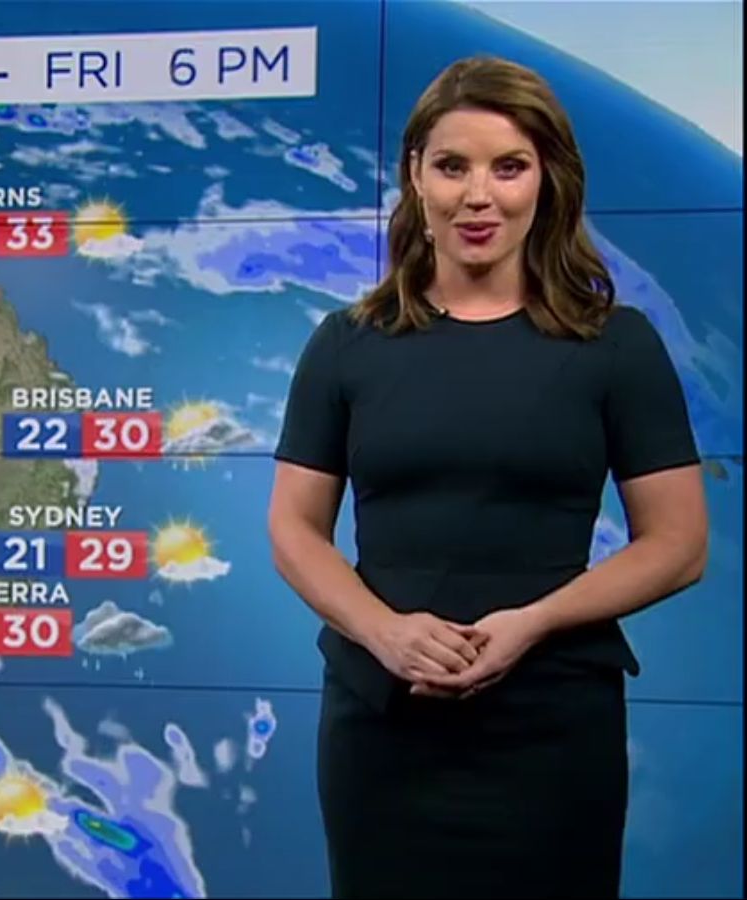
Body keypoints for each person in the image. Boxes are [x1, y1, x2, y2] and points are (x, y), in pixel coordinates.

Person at [267, 55, 709, 899]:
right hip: (382, 725)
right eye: (452, 166)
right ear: (415, 176)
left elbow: (680, 543)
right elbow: (293, 529)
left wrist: (532, 624)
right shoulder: (346, 345)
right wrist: (384, 632)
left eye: (509, 167)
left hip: (554, 729)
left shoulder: (615, 346)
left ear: (547, 179)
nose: (479, 196)